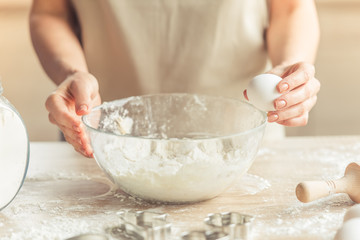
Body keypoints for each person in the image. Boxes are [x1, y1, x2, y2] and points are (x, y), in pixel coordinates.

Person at [29, 0, 320, 158]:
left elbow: (290, 7)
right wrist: (72, 72)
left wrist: (288, 65)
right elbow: (50, 12)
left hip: (243, 146)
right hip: (103, 140)